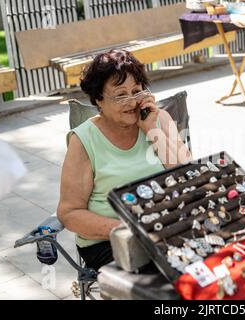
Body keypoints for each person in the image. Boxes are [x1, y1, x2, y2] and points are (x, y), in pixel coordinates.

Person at [57, 49, 192, 271]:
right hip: (110, 240)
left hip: (167, 228)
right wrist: (130, 229)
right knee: (176, 273)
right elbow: (69, 213)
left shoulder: (158, 119)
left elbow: (186, 178)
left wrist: (151, 130)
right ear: (98, 99)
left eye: (136, 91)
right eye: (120, 95)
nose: (131, 102)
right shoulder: (83, 140)